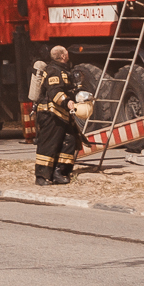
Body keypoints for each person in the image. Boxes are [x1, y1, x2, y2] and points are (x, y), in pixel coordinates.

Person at [31, 44, 85, 186]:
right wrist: (67, 102)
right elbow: (54, 91)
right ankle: (41, 177)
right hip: (50, 115)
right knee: (49, 145)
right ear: (62, 56)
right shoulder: (53, 71)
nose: (68, 54)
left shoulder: (63, 70)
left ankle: (59, 173)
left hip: (61, 115)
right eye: (66, 52)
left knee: (70, 141)